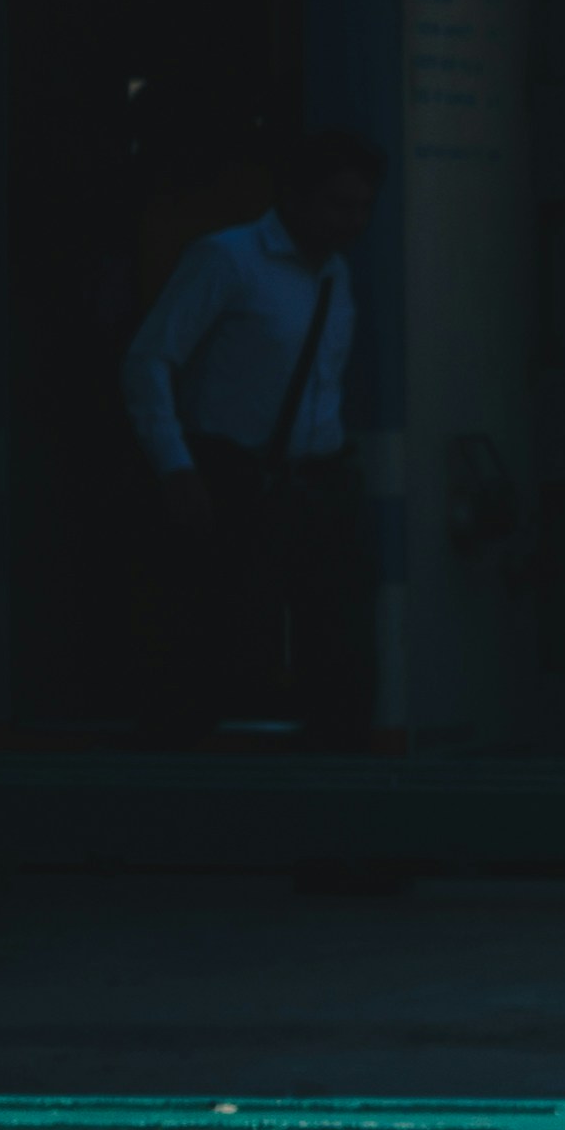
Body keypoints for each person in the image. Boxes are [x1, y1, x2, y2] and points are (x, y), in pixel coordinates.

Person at [124, 130, 383, 749]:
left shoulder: (334, 273)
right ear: (293, 198)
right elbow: (149, 358)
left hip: (321, 482)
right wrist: (176, 467)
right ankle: (181, 787)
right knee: (217, 650)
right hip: (238, 481)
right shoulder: (228, 259)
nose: (354, 221)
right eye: (337, 205)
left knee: (342, 653)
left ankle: (338, 792)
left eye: (362, 206)